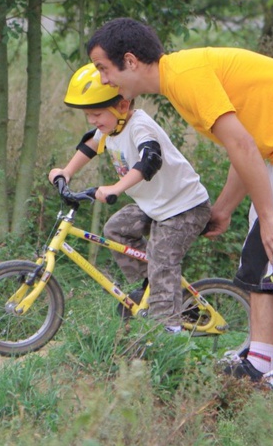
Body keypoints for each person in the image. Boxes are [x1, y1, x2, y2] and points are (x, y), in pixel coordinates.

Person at [85, 17, 273, 408]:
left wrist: (267, 215)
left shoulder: (186, 77)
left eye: (103, 69)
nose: (104, 80)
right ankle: (259, 362)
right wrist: (226, 209)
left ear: (129, 61)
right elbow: (243, 145)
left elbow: (245, 146)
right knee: (260, 254)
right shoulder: (179, 83)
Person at [48, 63, 211, 333]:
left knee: (161, 258)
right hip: (156, 204)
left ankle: (167, 331)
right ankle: (155, 289)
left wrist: (116, 188)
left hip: (184, 206)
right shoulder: (109, 128)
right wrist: (66, 171)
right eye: (89, 115)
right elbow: (90, 144)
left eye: (97, 114)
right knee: (116, 229)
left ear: (122, 106)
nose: (93, 120)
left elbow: (151, 159)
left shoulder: (139, 127)